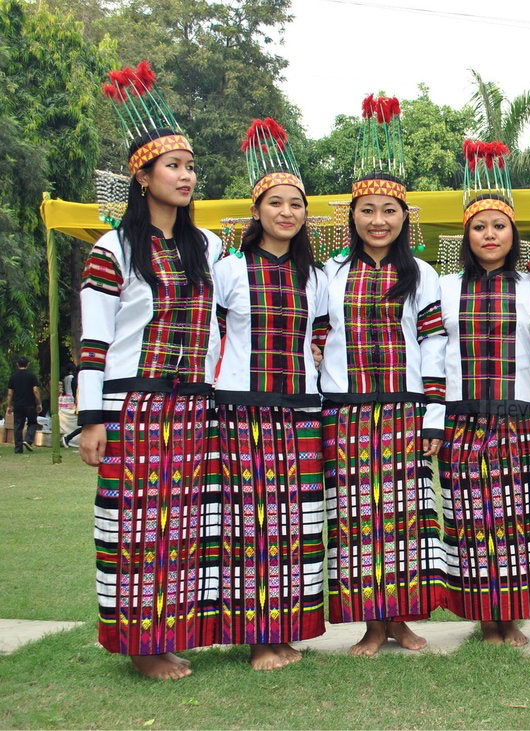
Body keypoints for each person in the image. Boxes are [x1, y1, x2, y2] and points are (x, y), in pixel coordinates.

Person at [80, 62, 221, 680]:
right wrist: (92, 417)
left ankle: (168, 635)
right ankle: (139, 646)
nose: (186, 176)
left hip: (193, 406)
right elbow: (93, 341)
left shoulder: (208, 246)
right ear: (142, 177)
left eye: (190, 167)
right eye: (173, 166)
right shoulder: (112, 249)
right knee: (135, 526)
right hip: (133, 405)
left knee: (184, 525)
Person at [319, 94, 445, 656]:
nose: (378, 220)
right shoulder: (328, 273)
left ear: (403, 216)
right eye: (367, 210)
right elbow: (315, 343)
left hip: (404, 410)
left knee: (405, 517)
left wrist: (434, 415)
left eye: (389, 210)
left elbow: (435, 344)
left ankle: (402, 619)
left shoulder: (422, 273)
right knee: (355, 518)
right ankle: (371, 624)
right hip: (346, 411)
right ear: (352, 216)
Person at [213, 118, 327, 670]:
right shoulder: (229, 270)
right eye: (275, 202)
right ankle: (258, 638)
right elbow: (212, 338)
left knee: (295, 523)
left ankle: (285, 631)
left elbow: (321, 336)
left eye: (296, 204)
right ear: (256, 210)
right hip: (243, 407)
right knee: (250, 522)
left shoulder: (315, 275)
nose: (287, 212)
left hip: (300, 408)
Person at [437, 142, 530, 645]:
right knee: (470, 515)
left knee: (516, 517)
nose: (489, 234)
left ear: (512, 233)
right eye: (479, 226)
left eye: (499, 226)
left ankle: (512, 615)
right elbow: (433, 353)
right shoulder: (443, 286)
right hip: (460, 415)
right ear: (466, 234)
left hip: (517, 413)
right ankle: (486, 618)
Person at [7, 356, 41, 453]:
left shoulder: (13, 376)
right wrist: (39, 403)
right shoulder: (32, 376)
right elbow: (35, 391)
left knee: (18, 426)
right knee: (32, 423)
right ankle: (28, 440)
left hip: (18, 405)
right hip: (30, 404)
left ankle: (18, 448)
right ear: (28, 364)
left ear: (17, 364)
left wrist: (9, 406)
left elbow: (10, 393)